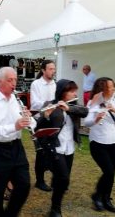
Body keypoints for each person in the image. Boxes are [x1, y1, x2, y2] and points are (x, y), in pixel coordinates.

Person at [0, 67, 35, 217]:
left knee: (24, 185)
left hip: (16, 147)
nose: (14, 83)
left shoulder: (16, 99)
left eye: (15, 80)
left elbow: (30, 122)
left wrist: (29, 119)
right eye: (10, 80)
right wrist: (14, 126)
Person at [35, 79, 88, 216]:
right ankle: (55, 209)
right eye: (71, 91)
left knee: (64, 179)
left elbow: (85, 111)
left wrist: (69, 108)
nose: (74, 93)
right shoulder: (50, 104)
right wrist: (46, 115)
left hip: (69, 147)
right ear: (62, 92)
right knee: (63, 178)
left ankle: (56, 194)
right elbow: (37, 125)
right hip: (55, 146)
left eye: (74, 91)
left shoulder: (74, 106)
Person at [84, 77, 115, 213]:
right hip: (98, 143)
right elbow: (86, 123)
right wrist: (95, 120)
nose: (113, 89)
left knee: (111, 173)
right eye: (110, 87)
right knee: (108, 171)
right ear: (102, 89)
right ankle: (97, 196)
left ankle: (106, 198)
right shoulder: (93, 103)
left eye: (114, 86)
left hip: (114, 141)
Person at [30, 60, 57, 191]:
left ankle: (55, 176)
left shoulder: (54, 84)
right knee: (41, 151)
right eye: (51, 69)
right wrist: (51, 103)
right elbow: (35, 104)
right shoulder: (36, 84)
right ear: (43, 70)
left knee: (53, 149)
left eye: (54, 69)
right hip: (40, 121)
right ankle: (39, 180)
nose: (53, 71)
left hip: (52, 119)